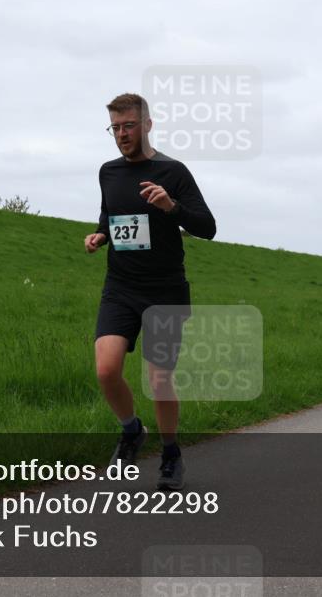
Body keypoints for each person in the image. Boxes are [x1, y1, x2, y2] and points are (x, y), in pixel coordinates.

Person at [84, 93, 216, 491]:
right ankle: (131, 430)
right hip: (120, 286)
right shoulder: (108, 172)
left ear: (147, 125)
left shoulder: (173, 171)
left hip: (165, 291)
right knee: (106, 369)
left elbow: (207, 227)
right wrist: (101, 235)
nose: (122, 134)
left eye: (128, 126)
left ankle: (171, 453)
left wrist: (171, 206)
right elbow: (111, 215)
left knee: (159, 379)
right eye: (115, 127)